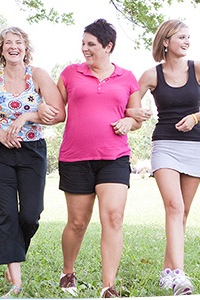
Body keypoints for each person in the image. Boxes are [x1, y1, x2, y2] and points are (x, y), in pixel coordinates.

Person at [126, 19, 200, 296]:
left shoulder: (199, 68)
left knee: (182, 213)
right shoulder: (151, 75)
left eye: (189, 37)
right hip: (164, 143)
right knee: (174, 207)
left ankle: (166, 271)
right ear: (166, 42)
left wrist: (197, 116)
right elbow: (129, 107)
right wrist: (136, 114)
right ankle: (179, 276)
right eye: (181, 37)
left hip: (195, 144)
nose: (187, 42)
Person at [0, 26, 65, 297]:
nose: (13, 47)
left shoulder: (38, 75)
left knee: (31, 213)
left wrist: (26, 117)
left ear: (26, 48)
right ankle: (16, 281)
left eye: (19, 42)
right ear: (0, 49)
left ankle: (14, 254)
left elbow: (59, 113)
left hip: (32, 150)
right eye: (8, 43)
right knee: (5, 214)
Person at [56, 19, 142, 298]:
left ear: (108, 46)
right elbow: (57, 110)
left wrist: (129, 123)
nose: (85, 49)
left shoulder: (128, 78)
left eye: (91, 44)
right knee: (78, 222)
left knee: (114, 218)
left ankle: (108, 287)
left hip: (114, 156)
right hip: (75, 157)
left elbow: (136, 117)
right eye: (83, 43)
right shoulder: (70, 73)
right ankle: (68, 272)